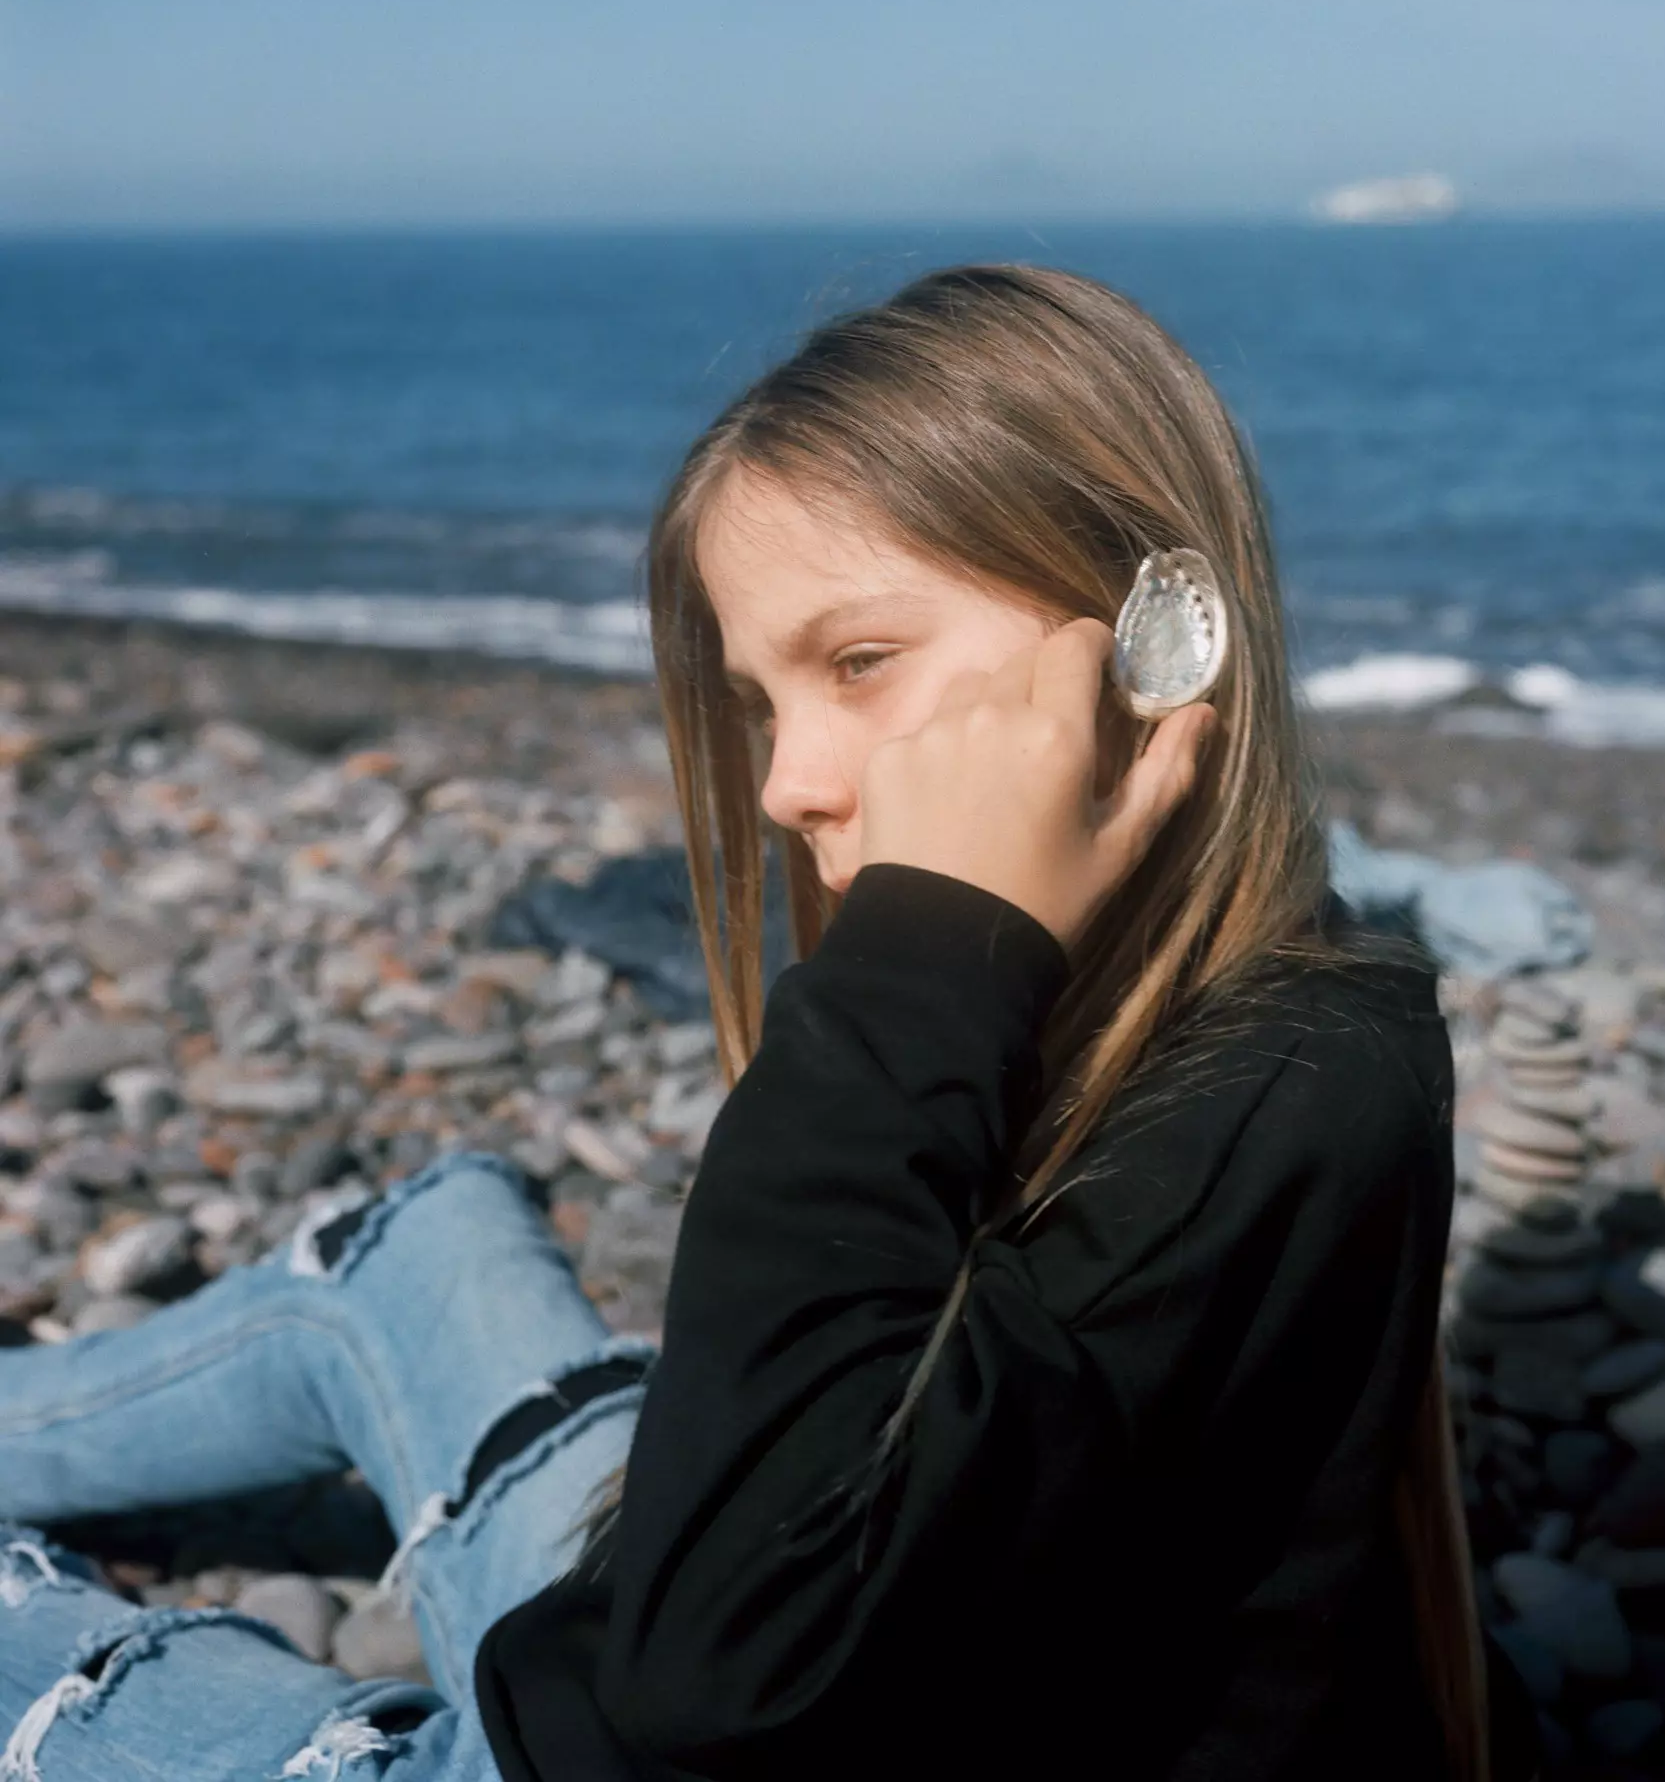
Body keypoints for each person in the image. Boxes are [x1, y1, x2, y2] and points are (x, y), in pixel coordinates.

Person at [0, 264, 1538, 1782]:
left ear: (1158, 639)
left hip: (646, 1705)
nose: (786, 783)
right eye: (761, 705)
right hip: (649, 1576)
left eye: (859, 663)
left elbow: (713, 1678)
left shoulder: (1290, 1083)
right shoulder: (1155, 998)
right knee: (427, 1244)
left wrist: (931, 950)